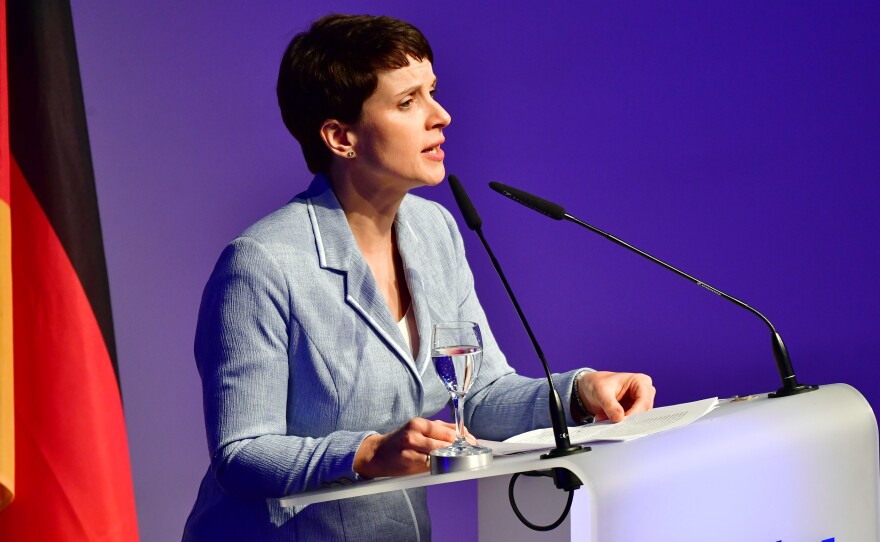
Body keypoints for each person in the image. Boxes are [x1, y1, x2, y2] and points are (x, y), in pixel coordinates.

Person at [182, 13, 655, 541]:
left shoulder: (434, 231)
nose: (442, 116)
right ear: (341, 138)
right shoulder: (262, 264)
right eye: (408, 102)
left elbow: (476, 396)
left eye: (432, 92)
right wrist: (366, 452)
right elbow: (240, 452)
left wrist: (578, 392)